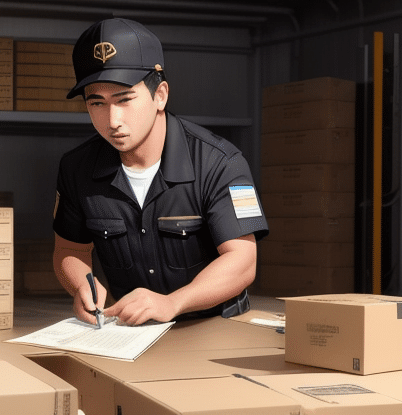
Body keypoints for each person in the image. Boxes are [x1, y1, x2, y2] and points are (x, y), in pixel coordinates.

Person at [52, 17, 269, 326]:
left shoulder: (221, 163)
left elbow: (243, 261)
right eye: (96, 103)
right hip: (133, 333)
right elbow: (69, 249)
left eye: (125, 99)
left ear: (160, 95)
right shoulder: (77, 168)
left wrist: (173, 302)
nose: (113, 120)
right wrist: (81, 285)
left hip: (215, 327)